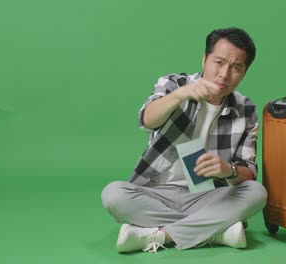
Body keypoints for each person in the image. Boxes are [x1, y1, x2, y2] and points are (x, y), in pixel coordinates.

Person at [101, 27, 267, 253]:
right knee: (113, 194)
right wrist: (182, 94)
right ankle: (215, 230)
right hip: (158, 192)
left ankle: (160, 235)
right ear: (204, 59)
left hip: (207, 196)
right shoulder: (174, 84)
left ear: (244, 72)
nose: (224, 74)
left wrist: (227, 169)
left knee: (257, 193)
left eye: (236, 67)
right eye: (218, 62)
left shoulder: (246, 110)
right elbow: (146, 119)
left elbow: (248, 171)